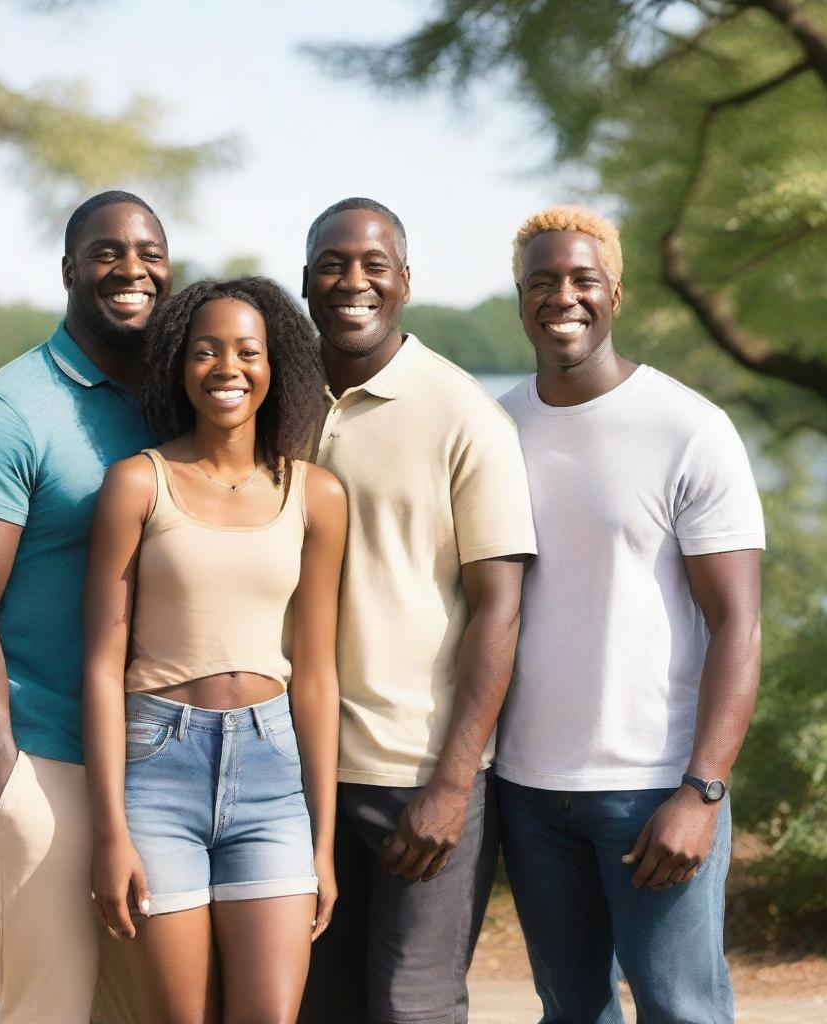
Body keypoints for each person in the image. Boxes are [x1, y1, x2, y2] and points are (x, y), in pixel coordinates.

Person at [497, 206, 765, 1024]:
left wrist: (702, 792)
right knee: (569, 1010)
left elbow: (740, 626)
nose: (562, 297)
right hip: (529, 789)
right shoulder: (496, 426)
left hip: (653, 787)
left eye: (583, 280)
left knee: (681, 1008)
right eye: (542, 281)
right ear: (520, 296)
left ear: (616, 292)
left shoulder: (689, 429)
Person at [0, 190, 171, 1023]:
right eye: (107, 252)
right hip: (50, 761)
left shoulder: (187, 398)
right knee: (52, 1008)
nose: (131, 268)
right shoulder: (6, 412)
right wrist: (6, 782)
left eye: (148, 250)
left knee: (151, 1007)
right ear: (70, 269)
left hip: (165, 763)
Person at [297, 198, 538, 1024]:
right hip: (294, 775)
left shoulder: (466, 414)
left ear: (405, 281)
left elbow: (499, 609)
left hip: (418, 779)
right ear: (305, 281)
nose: (351, 281)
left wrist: (452, 784)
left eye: (373, 264)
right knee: (314, 1005)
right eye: (332, 263)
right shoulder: (273, 399)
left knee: (413, 1008)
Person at [83, 276, 347, 1023]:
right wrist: (110, 832)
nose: (226, 367)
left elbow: (318, 678)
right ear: (179, 364)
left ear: (276, 365)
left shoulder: (316, 495)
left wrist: (321, 843)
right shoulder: (137, 484)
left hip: (273, 777)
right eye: (205, 351)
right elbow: (103, 670)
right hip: (159, 772)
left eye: (246, 351)